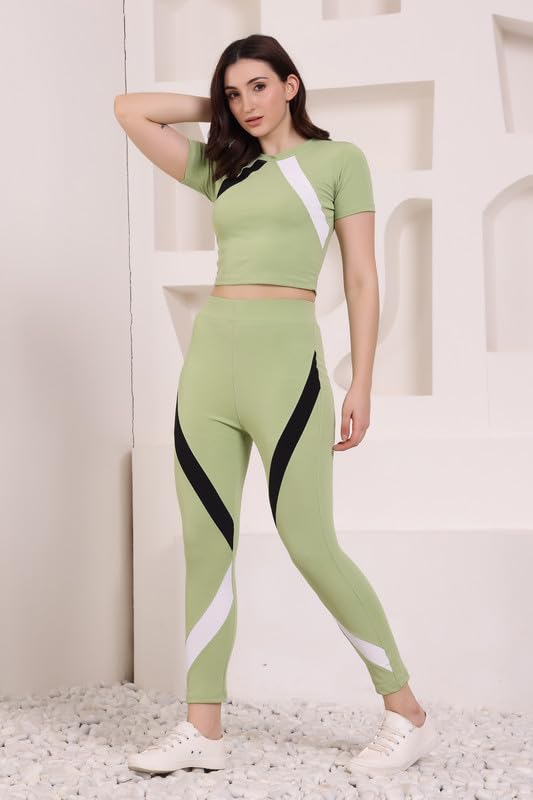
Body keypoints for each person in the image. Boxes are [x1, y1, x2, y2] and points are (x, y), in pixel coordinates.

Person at [114, 33, 439, 780]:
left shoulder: (338, 161)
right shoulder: (222, 167)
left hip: (288, 367)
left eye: (259, 87)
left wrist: (361, 382)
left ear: (292, 85)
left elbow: (362, 277)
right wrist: (217, 111)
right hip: (209, 367)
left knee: (309, 541)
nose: (246, 104)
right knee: (206, 544)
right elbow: (128, 109)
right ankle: (202, 727)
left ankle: (407, 713)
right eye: (234, 93)